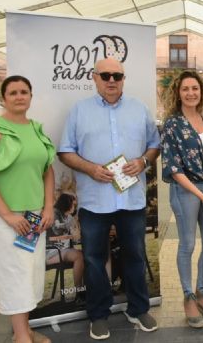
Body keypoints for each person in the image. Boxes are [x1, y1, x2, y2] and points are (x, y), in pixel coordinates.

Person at [58, 58, 160, 340]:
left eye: (117, 75)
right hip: (95, 201)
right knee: (93, 259)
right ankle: (98, 315)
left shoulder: (140, 109)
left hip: (131, 200)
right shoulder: (79, 111)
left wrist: (142, 161)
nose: (111, 80)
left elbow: (154, 146)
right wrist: (90, 168)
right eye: (105, 75)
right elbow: (64, 151)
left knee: (136, 256)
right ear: (95, 77)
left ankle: (138, 309)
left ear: (124, 78)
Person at [0, 75, 55, 343]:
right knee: (12, 273)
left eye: (24, 92)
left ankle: (27, 329)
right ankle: (21, 336)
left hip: (34, 216)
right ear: (4, 98)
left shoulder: (36, 129)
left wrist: (48, 208)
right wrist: (7, 215)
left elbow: (47, 170)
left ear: (31, 96)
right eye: (13, 93)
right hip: (5, 217)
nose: (19, 96)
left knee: (30, 272)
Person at [160, 70, 203, 329]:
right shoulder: (172, 124)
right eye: (185, 89)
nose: (191, 93)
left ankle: (202, 292)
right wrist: (201, 196)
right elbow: (173, 168)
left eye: (195, 88)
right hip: (186, 190)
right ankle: (187, 296)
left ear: (201, 91)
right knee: (187, 244)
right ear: (178, 92)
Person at [46, 193, 84, 301]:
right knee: (79, 256)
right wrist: (71, 226)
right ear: (66, 203)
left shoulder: (69, 216)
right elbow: (57, 229)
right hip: (51, 251)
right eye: (73, 204)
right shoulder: (55, 212)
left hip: (64, 250)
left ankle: (84, 290)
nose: (74, 207)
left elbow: (75, 236)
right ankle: (79, 291)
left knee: (87, 254)